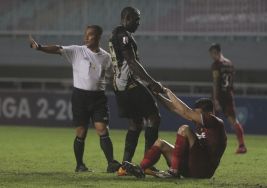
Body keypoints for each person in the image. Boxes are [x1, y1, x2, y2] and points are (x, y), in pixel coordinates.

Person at [29, 25, 121, 172]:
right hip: (80, 97)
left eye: (90, 35)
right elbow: (57, 48)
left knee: (102, 129)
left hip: (98, 98)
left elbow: (111, 77)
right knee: (81, 132)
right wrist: (39, 47)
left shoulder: (106, 57)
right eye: (85, 34)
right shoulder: (77, 50)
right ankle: (80, 165)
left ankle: (111, 163)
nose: (86, 37)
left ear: (97, 37)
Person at [108, 6, 163, 175]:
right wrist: (152, 82)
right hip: (129, 84)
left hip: (119, 86)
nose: (139, 23)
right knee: (154, 117)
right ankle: (148, 163)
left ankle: (125, 165)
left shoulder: (116, 34)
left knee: (136, 123)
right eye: (136, 19)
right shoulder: (123, 35)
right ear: (127, 18)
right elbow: (131, 62)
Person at [133, 88, 227, 178]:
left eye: (199, 114)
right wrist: (157, 95)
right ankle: (139, 169)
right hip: (191, 167)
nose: (196, 116)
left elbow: (186, 111)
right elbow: (174, 108)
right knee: (160, 143)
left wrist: (166, 91)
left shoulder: (215, 121)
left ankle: (173, 172)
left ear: (209, 113)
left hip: (204, 170)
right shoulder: (202, 122)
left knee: (185, 129)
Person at [209, 43, 247, 154]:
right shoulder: (229, 64)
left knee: (212, 121)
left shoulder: (216, 65)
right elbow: (232, 81)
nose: (211, 56)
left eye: (212, 53)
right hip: (229, 96)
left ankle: (212, 146)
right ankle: (242, 145)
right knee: (234, 121)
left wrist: (215, 99)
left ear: (215, 52)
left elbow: (216, 82)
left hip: (219, 96)